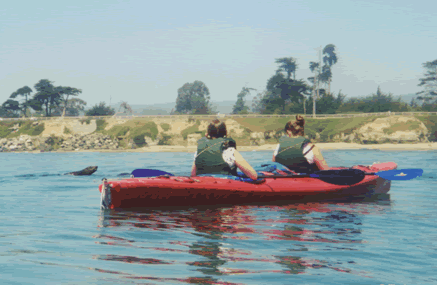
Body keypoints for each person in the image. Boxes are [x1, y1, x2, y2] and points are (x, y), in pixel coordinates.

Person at [191, 119, 258, 180]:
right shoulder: (230, 151)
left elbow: (193, 175)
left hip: (203, 184)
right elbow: (253, 175)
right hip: (226, 185)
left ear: (208, 133)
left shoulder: (199, 152)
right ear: (225, 133)